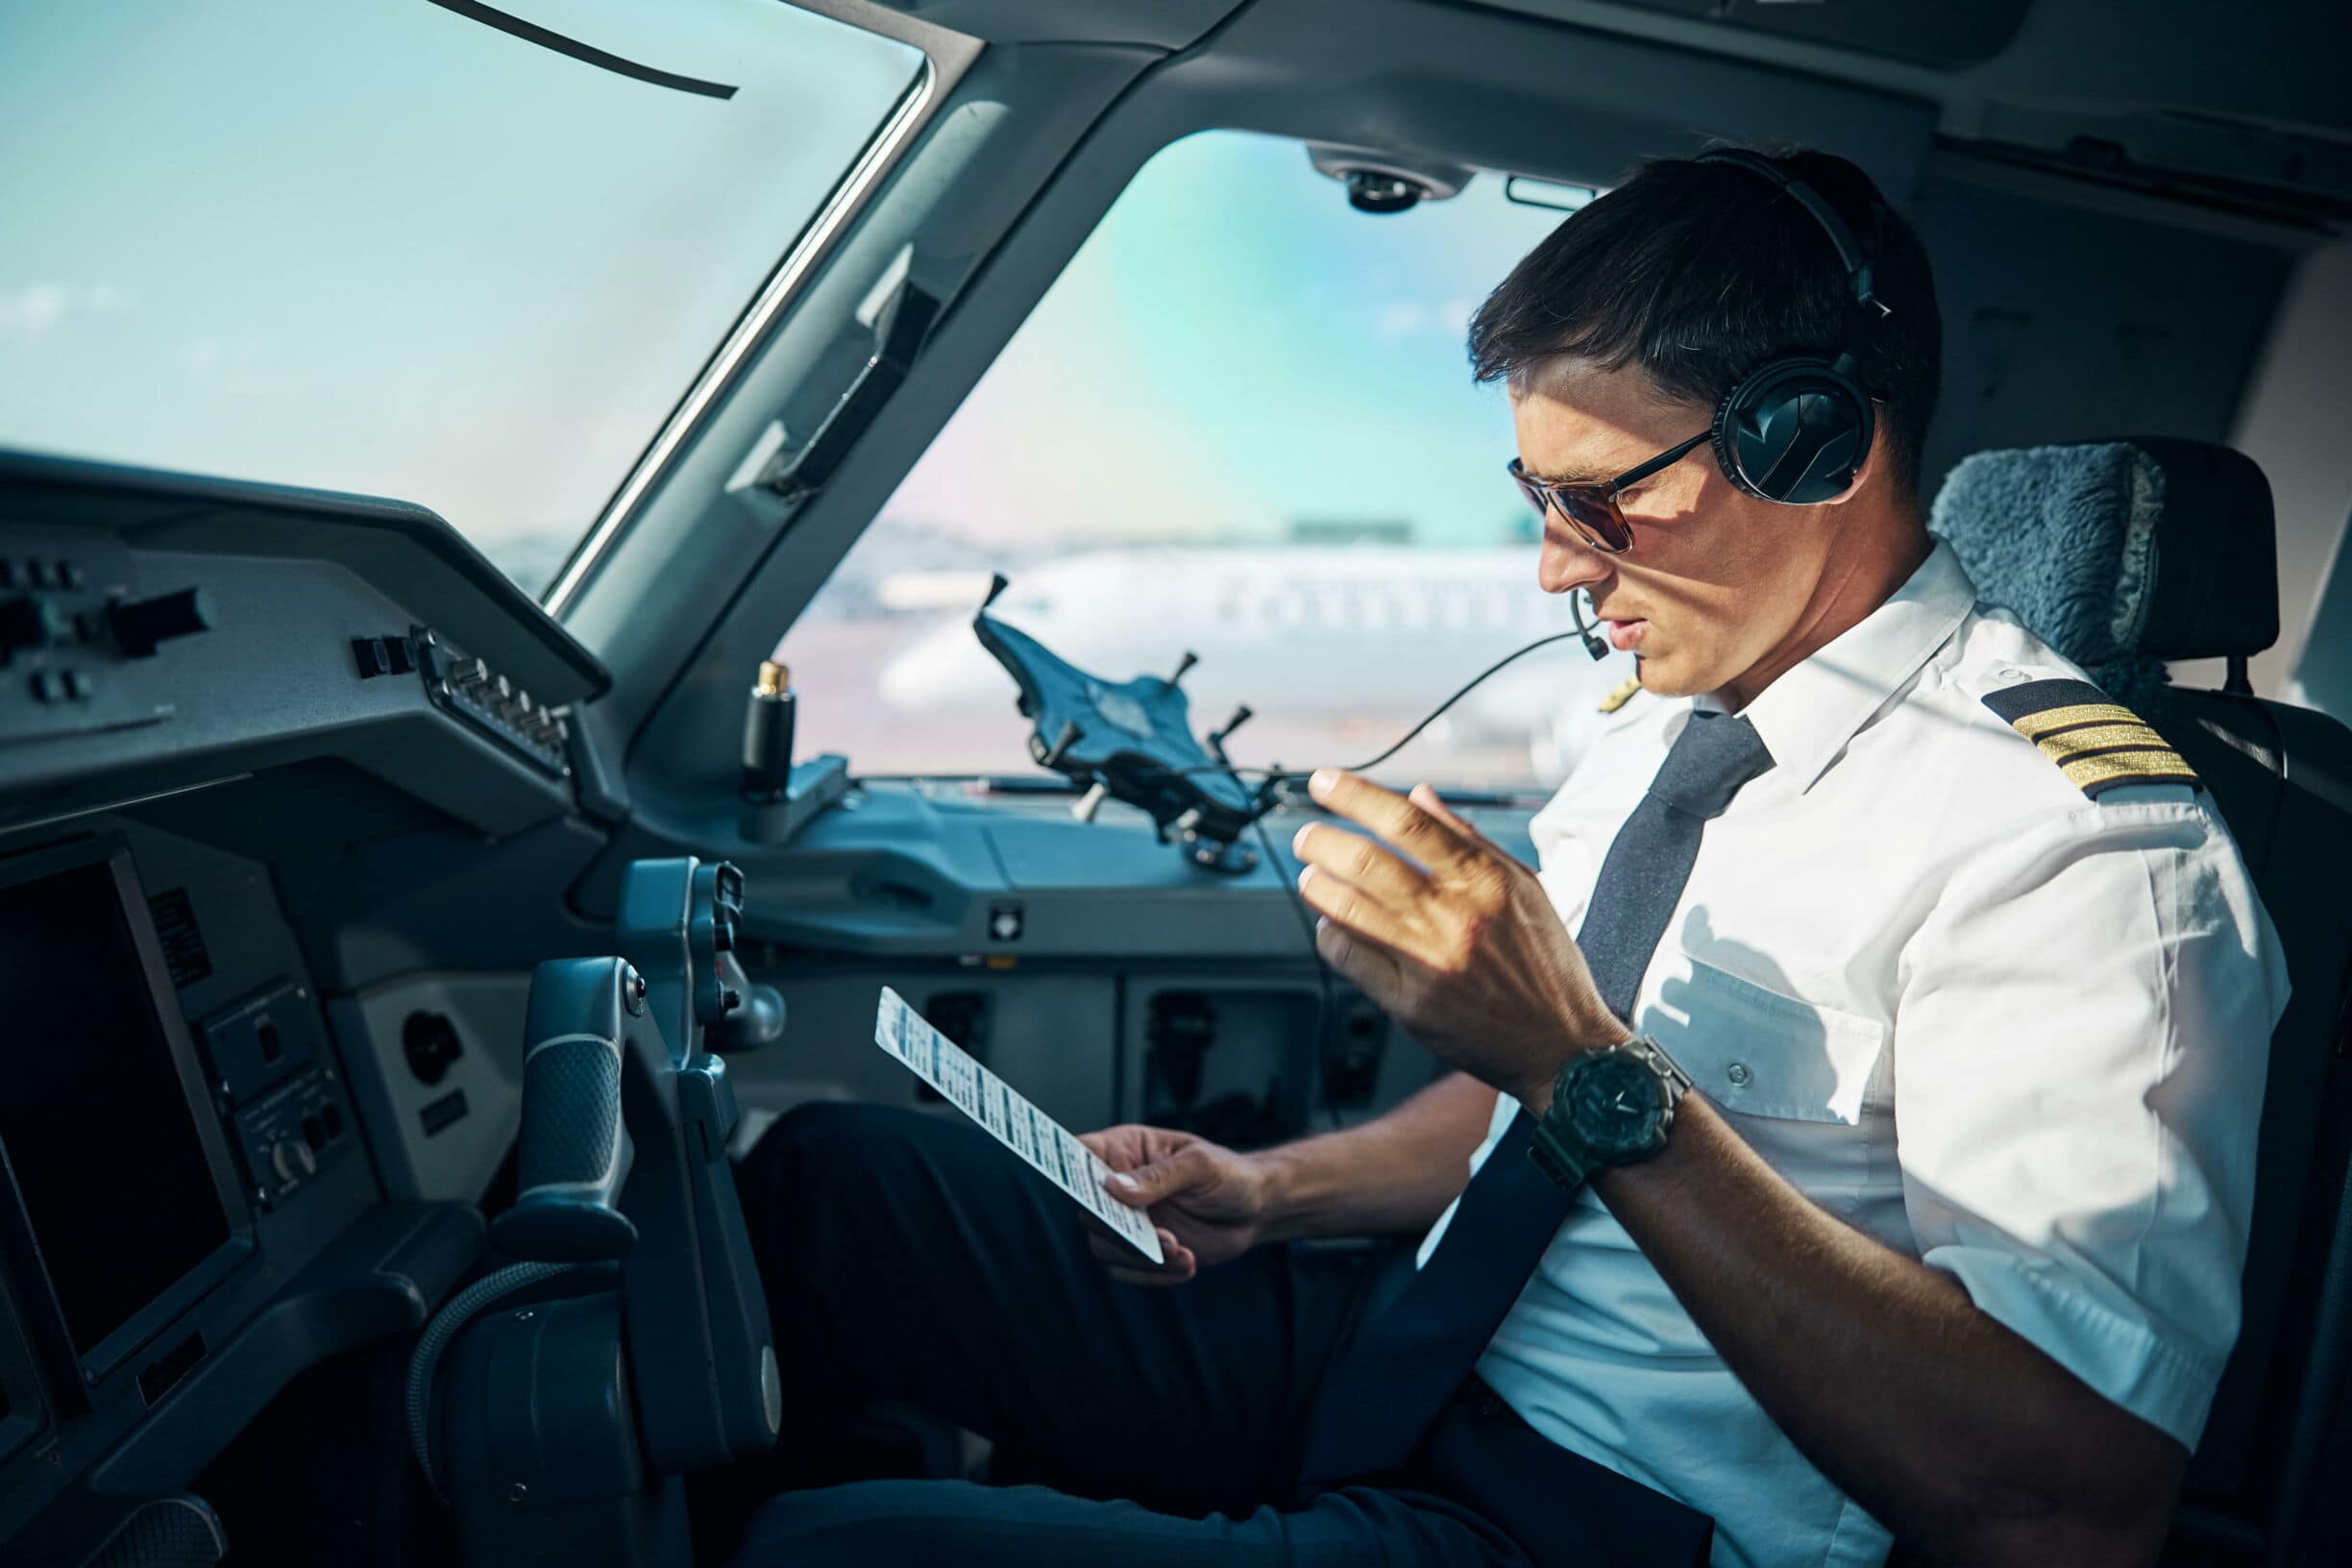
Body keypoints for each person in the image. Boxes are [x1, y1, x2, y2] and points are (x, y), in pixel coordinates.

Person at [724, 146, 2285, 1568]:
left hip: (1604, 1512)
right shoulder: (1663, 712)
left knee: (827, 1554)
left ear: (1818, 445)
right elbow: (1521, 1109)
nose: (1555, 562)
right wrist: (1275, 1190)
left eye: (1604, 500)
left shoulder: (2074, 850)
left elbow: (2067, 1506)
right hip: (1398, 1345)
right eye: (1538, 495)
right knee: (832, 1187)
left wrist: (1582, 1068)